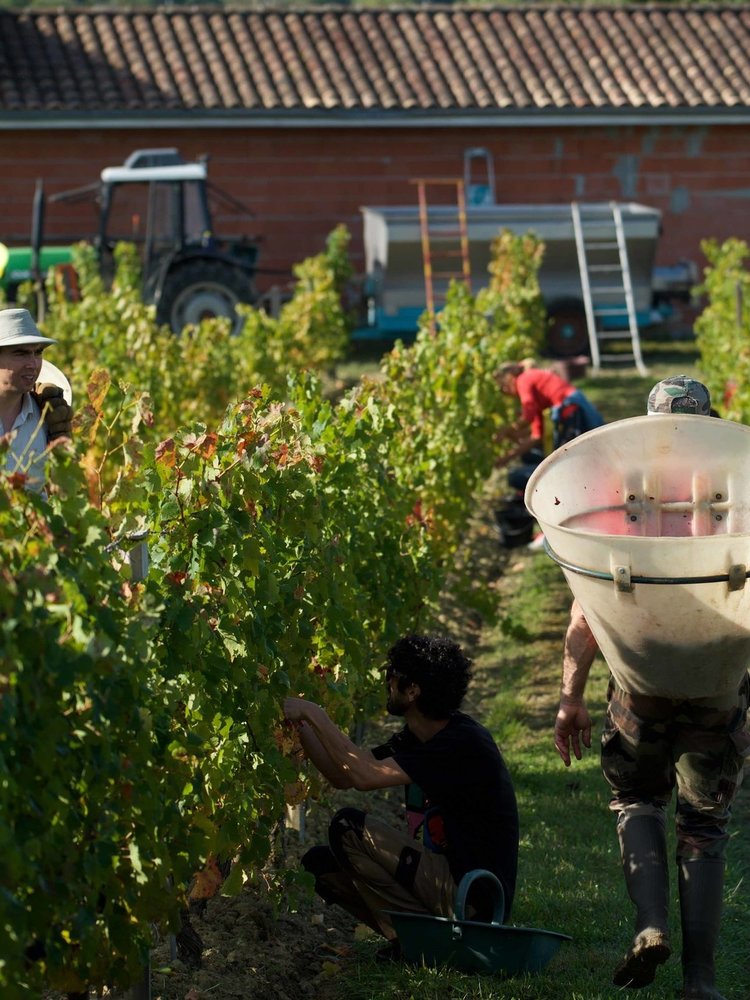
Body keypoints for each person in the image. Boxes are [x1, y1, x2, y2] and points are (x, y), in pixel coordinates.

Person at [553, 375, 750, 1000]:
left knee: (636, 800)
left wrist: (570, 697)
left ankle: (650, 924)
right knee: (704, 826)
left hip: (639, 687)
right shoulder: (738, 495)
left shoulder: (616, 497)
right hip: (717, 688)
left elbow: (587, 615)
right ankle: (700, 982)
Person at [283, 634, 519, 958]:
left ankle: (425, 943)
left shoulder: (461, 742)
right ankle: (415, 944)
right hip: (445, 881)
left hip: (474, 895)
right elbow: (343, 776)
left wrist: (314, 713)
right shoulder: (418, 736)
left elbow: (364, 775)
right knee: (322, 866)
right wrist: (301, 728)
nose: (386, 681)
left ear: (413, 690)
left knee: (347, 828)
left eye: (391, 673)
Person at [0, 307, 72, 493]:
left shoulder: (49, 417)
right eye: (21, 353)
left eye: (38, 353)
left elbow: (61, 493)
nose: (33, 364)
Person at [494, 361, 604, 465]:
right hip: (571, 409)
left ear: (509, 379)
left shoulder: (523, 380)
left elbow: (528, 415)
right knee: (584, 453)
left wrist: (507, 430)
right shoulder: (534, 391)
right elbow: (536, 436)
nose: (506, 393)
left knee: (578, 456)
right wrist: (507, 457)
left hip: (571, 409)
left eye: (503, 388)